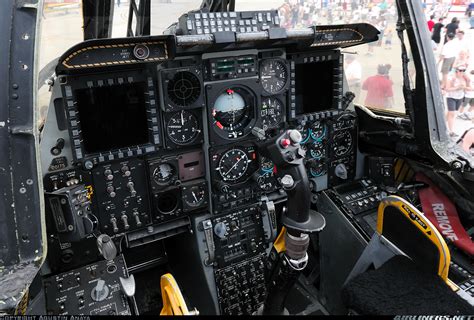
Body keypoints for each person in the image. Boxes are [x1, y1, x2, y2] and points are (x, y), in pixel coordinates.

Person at [445, 67, 468, 137]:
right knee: (452, 113)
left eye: (464, 70)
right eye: (460, 70)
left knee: (450, 113)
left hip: (460, 97)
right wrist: (457, 87)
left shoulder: (465, 79)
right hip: (451, 97)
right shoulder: (451, 78)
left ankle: (442, 122)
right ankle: (451, 131)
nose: (462, 72)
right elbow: (447, 89)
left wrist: (464, 88)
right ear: (456, 71)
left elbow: (470, 88)